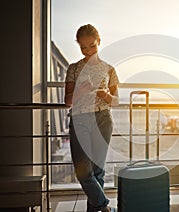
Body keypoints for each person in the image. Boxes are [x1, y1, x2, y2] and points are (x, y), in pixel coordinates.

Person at [64, 24, 119, 212]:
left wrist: (105, 95)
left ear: (99, 42)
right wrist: (81, 90)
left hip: (103, 119)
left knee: (98, 171)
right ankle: (104, 207)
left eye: (92, 46)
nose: (87, 51)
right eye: (83, 47)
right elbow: (67, 101)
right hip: (79, 120)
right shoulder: (73, 68)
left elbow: (116, 101)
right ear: (78, 46)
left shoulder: (109, 69)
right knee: (83, 173)